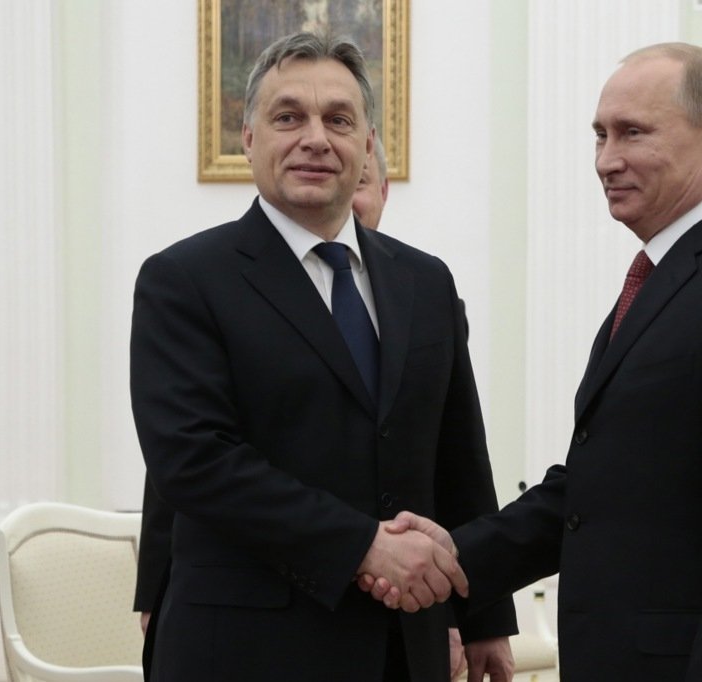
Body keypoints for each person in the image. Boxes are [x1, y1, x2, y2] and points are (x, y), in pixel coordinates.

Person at [365, 42, 702, 681]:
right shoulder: (659, 282)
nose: (605, 160)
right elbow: (598, 491)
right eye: (599, 135)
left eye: (632, 133)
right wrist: (454, 557)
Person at [129, 30, 515, 681]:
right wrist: (363, 547)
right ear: (248, 138)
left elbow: (458, 457)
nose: (315, 137)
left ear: (366, 146)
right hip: (246, 648)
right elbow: (194, 460)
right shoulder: (185, 279)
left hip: (403, 648)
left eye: (339, 119)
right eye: (289, 117)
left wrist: (484, 618)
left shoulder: (426, 283)